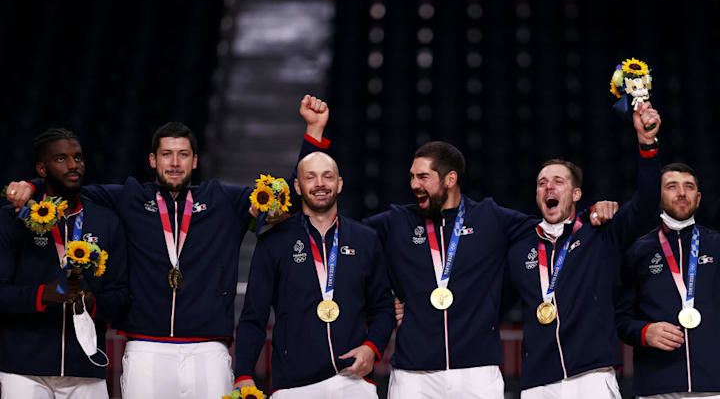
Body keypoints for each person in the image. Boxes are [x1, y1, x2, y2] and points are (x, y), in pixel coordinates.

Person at [5, 95, 331, 398]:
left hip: (209, 349)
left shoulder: (223, 200)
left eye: (183, 155)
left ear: (195, 161)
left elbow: (286, 201)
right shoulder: (129, 197)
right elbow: (68, 186)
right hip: (146, 349)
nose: (175, 163)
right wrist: (31, 186)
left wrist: (314, 132)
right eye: (166, 154)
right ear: (152, 159)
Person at [504, 101, 661, 398]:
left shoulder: (600, 233)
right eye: (542, 183)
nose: (549, 188)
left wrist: (647, 143)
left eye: (558, 182)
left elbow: (647, 202)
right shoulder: (520, 248)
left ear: (576, 194)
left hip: (592, 377)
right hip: (538, 383)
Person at [362, 140, 536, 398]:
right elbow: (340, 237)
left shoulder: (490, 218)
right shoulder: (397, 222)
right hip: (413, 375)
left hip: (477, 373)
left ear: (450, 179)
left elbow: (553, 228)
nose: (414, 185)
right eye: (411, 177)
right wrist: (383, 300)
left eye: (423, 177)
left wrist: (592, 215)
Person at [233, 152, 394, 398]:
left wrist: (372, 348)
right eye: (311, 177)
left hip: (354, 381)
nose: (320, 184)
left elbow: (383, 307)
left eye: (327, 176)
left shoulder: (365, 239)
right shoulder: (273, 243)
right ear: (298, 186)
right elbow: (254, 315)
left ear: (339, 184)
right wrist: (243, 373)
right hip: (293, 385)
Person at [0, 128, 128, 398]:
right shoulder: (14, 220)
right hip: (23, 369)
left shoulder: (106, 221)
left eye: (78, 158)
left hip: (86, 367)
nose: (73, 165)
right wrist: (42, 295)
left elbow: (121, 292)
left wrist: (94, 304)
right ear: (41, 169)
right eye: (61, 158)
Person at [616, 163, 720, 398]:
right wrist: (644, 332)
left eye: (689, 187)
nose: (682, 193)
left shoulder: (717, 245)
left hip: (714, 384)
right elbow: (620, 319)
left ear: (698, 198)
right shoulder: (637, 252)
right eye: (672, 186)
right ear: (658, 195)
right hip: (657, 386)